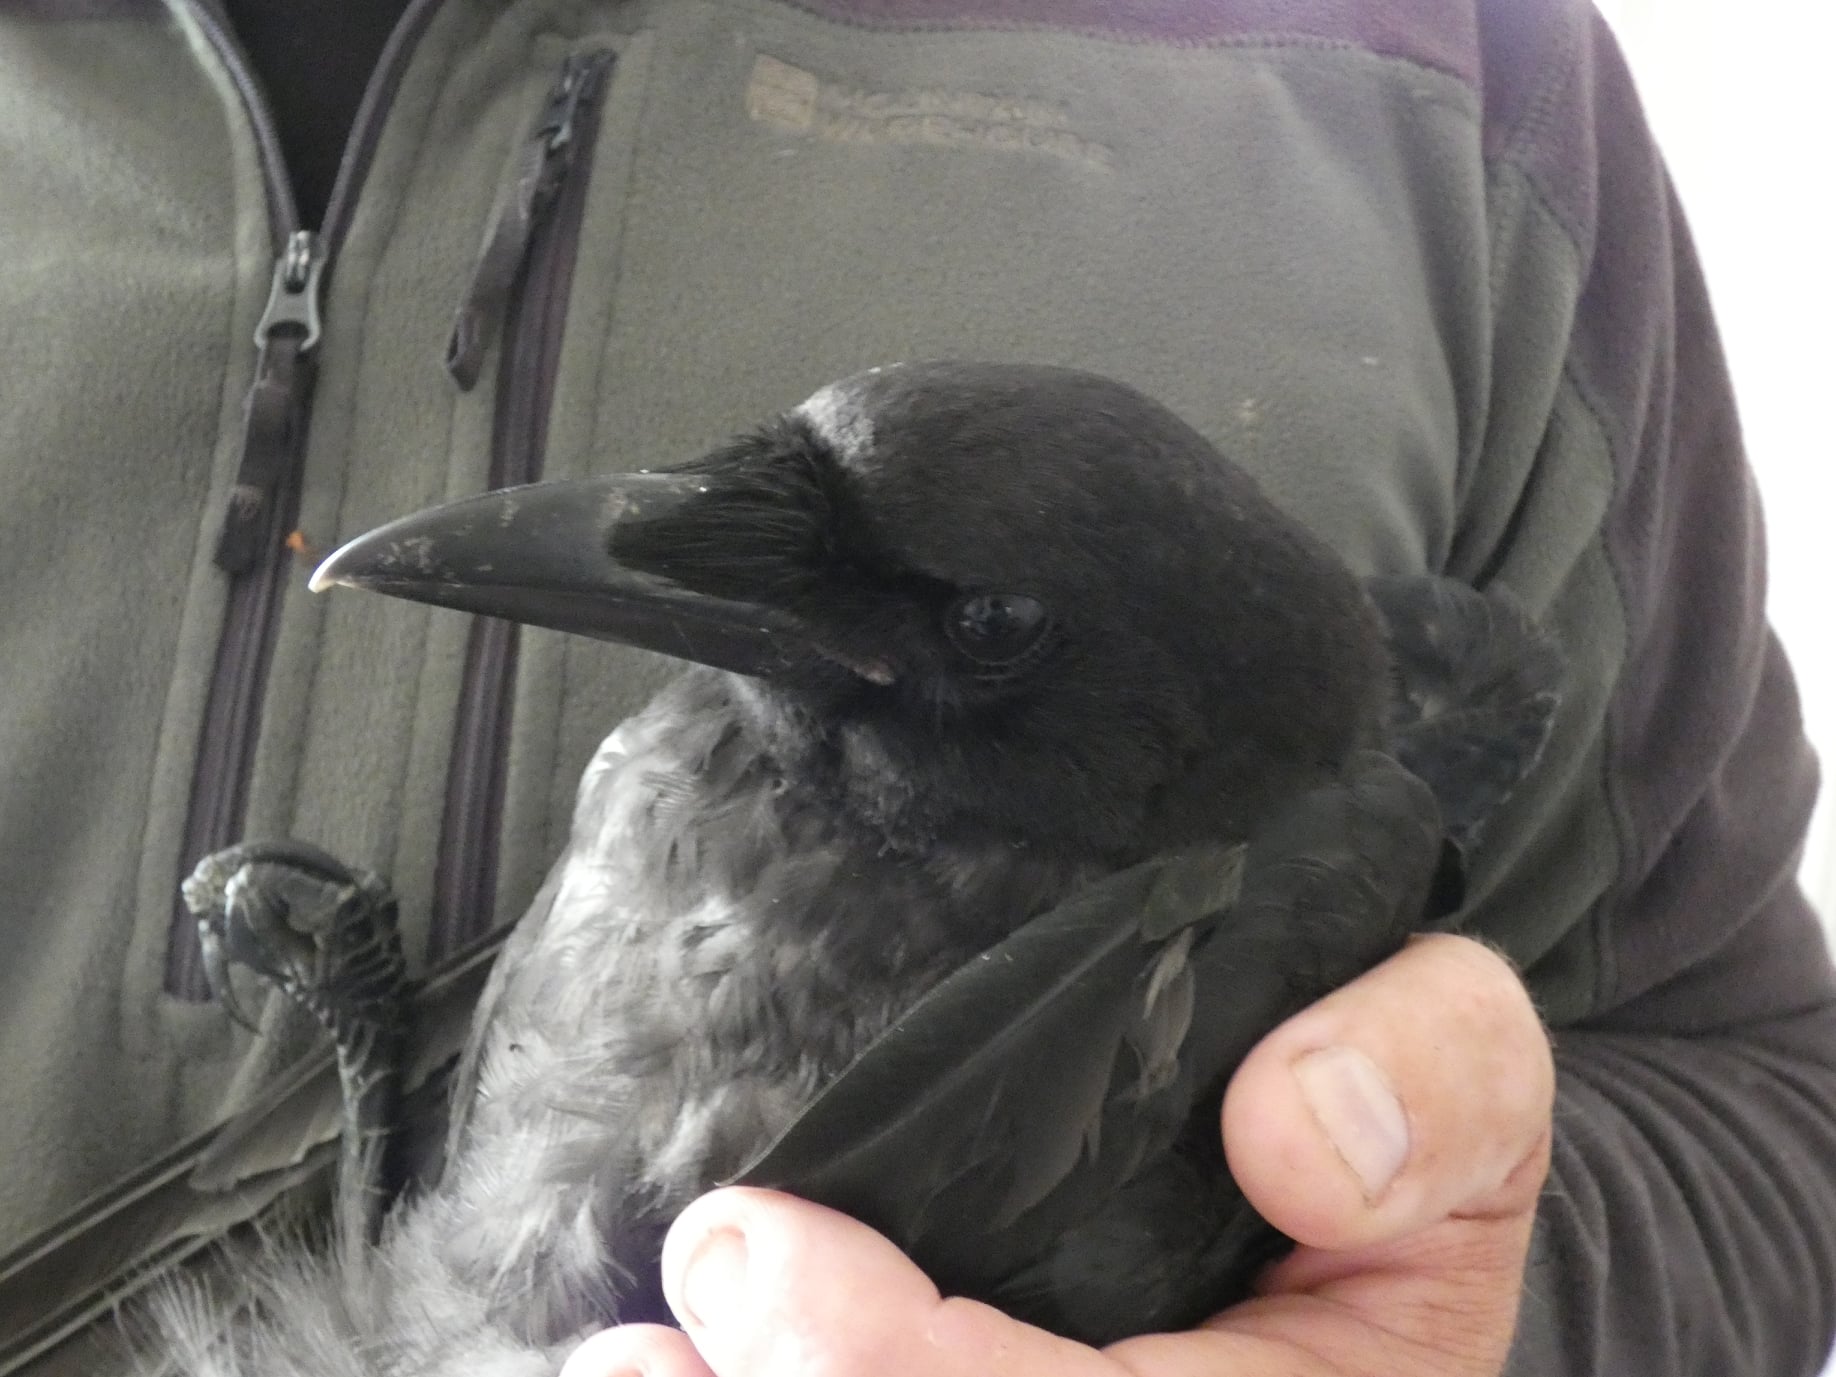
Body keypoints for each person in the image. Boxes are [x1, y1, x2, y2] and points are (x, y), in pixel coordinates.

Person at [0, 1, 1830, 1375]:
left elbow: (1755, 1093)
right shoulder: (737, 753)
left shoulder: (1452, 69)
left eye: (971, 629)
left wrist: (1451, 1298)